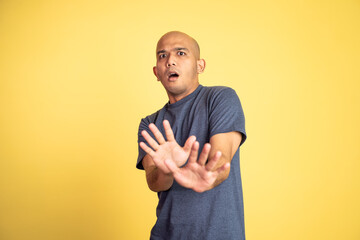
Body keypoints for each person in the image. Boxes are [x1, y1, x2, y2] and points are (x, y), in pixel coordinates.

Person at [137, 31, 247, 240]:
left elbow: (222, 157)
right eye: (163, 56)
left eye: (180, 53)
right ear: (156, 72)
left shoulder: (221, 98)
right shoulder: (149, 124)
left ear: (200, 65)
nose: (170, 61)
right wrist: (167, 169)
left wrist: (209, 174)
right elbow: (154, 182)